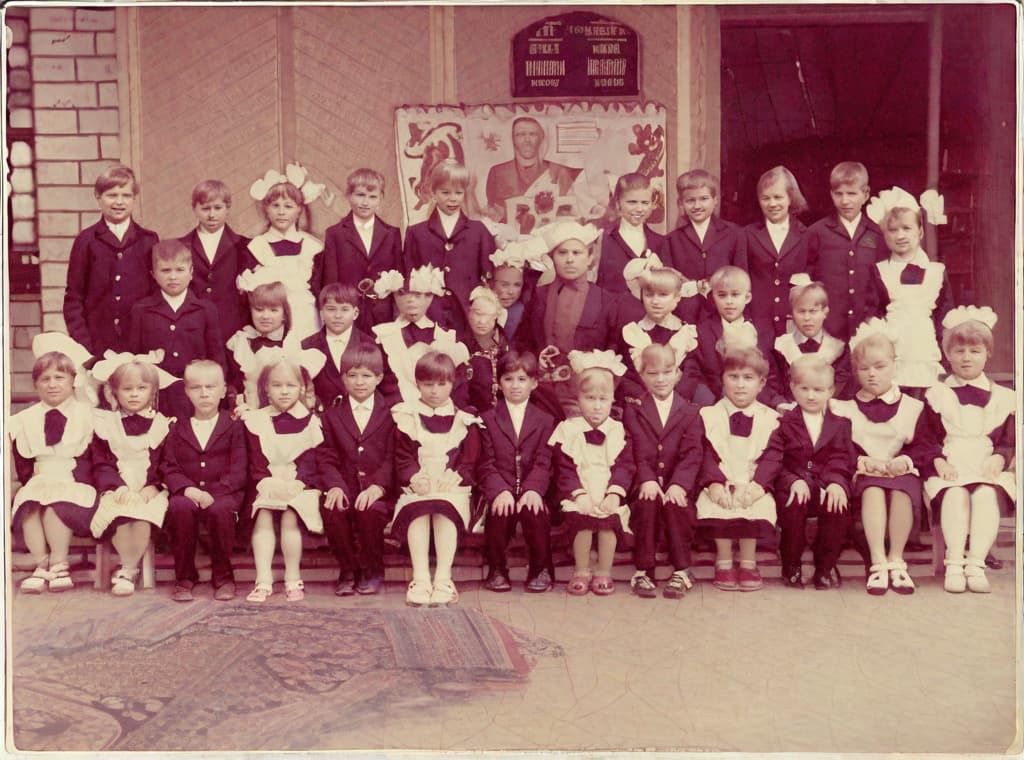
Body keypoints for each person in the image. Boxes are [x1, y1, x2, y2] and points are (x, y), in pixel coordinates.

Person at [829, 320, 932, 595]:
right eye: (864, 369)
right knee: (873, 490)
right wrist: (862, 462)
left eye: (880, 367)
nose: (872, 375)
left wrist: (906, 461)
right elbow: (840, 447)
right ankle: (877, 561)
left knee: (902, 490)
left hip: (900, 469)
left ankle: (896, 559)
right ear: (855, 372)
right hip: (865, 471)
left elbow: (925, 446)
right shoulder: (844, 408)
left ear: (894, 366)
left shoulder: (913, 406)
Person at [922, 307, 1015, 593]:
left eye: (974, 351)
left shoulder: (1004, 397)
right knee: (955, 493)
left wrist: (1000, 457)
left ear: (987, 353)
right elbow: (925, 438)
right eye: (959, 351)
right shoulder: (936, 394)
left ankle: (975, 563)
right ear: (948, 355)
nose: (966, 358)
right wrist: (938, 461)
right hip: (951, 461)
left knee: (986, 494)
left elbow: (1008, 440)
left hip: (986, 462)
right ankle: (954, 563)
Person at [391, 350, 483, 607]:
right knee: (419, 508)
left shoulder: (465, 419)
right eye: (427, 384)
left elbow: (470, 460)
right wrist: (413, 477)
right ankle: (421, 578)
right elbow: (403, 457)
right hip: (419, 485)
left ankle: (443, 577)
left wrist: (456, 476)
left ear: (452, 383)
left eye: (441, 384)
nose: (434, 391)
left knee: (444, 507)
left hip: (451, 486)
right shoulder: (406, 416)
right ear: (417, 384)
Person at [10, 334, 97, 593]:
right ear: (36, 385)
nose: (52, 385)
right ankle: (41, 563)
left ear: (72, 381)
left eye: (59, 378)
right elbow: (23, 463)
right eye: (45, 379)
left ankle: (59, 563)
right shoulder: (25, 419)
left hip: (75, 482)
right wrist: (34, 482)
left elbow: (93, 458)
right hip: (41, 478)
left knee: (54, 507)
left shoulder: (87, 414)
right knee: (29, 505)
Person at [695, 346, 782, 592]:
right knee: (718, 507)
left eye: (748, 378)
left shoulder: (771, 419)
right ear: (722, 379)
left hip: (752, 482)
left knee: (754, 506)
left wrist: (758, 486)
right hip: (721, 481)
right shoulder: (708, 415)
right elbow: (703, 453)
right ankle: (723, 558)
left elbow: (773, 457)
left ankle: (747, 560)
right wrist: (713, 483)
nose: (740, 385)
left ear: (761, 383)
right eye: (733, 377)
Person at [242, 350, 326, 603]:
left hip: (301, 485)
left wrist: (299, 483)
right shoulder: (256, 420)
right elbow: (254, 459)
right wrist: (266, 481)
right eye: (277, 385)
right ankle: (263, 579)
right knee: (264, 515)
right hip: (266, 482)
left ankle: (292, 577)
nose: (284, 391)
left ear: (302, 388)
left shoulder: (312, 422)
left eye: (291, 385)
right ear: (266, 389)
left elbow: (314, 459)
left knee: (290, 516)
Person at [549, 350, 635, 596]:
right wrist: (579, 495)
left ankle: (604, 571)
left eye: (603, 399)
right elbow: (563, 467)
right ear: (578, 397)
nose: (597, 406)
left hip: (607, 489)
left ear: (612, 400)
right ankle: (581, 569)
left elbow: (625, 465)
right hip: (580, 489)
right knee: (583, 523)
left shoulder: (617, 430)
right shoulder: (569, 429)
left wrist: (614, 494)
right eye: (589, 398)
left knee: (608, 524)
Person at [89, 353, 174, 596]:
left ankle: (127, 569)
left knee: (143, 513)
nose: (134, 394)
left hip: (150, 488)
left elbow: (166, 462)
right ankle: (129, 567)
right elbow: (101, 463)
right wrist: (118, 487)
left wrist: (155, 486)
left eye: (141, 388)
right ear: (114, 392)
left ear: (153, 391)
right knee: (119, 511)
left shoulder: (162, 424)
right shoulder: (106, 424)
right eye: (127, 389)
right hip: (118, 486)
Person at [162, 360, 247, 602]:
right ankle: (185, 576)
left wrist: (217, 491)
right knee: (179, 507)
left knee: (220, 511)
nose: (204, 393)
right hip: (189, 493)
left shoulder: (233, 426)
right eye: (196, 387)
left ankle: (223, 575)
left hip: (224, 494)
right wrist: (187, 489)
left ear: (223, 391)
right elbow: (169, 466)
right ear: (187, 392)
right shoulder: (178, 427)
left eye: (211, 387)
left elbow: (239, 468)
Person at [517, 221, 620, 419]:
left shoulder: (607, 301)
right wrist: (536, 360)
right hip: (542, 394)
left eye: (577, 253)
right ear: (552, 258)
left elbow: (615, 350)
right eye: (562, 253)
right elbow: (523, 342)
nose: (569, 260)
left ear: (590, 258)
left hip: (586, 398)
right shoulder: (538, 296)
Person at [623, 344, 703, 599]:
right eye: (653, 373)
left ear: (677, 374)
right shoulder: (633, 409)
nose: (660, 379)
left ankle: (682, 569)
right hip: (645, 483)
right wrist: (646, 479)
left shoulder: (691, 411)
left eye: (667, 372)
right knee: (646, 504)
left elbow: (692, 454)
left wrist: (679, 484)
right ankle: (643, 569)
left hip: (676, 483)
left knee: (677, 506)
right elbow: (635, 448)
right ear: (642, 374)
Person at [770, 355, 854, 590]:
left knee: (837, 504)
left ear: (830, 391)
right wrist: (794, 480)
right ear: (793, 388)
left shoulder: (840, 424)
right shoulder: (784, 422)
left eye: (818, 389)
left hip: (826, 484)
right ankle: (792, 564)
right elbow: (777, 459)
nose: (811, 395)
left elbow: (842, 458)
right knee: (794, 503)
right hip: (794, 485)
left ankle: (825, 566)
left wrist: (836, 482)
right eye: (804, 388)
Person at [318, 344, 396, 596]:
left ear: (379, 378)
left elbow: (393, 456)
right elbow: (326, 456)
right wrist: (336, 486)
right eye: (352, 375)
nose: (359, 382)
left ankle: (373, 569)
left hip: (380, 489)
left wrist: (379, 486)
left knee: (369, 511)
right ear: (343, 379)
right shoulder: (331, 415)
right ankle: (348, 570)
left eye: (366, 375)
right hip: (345, 485)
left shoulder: (393, 413)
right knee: (333, 509)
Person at [479, 351, 557, 593]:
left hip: (531, 488)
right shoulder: (487, 419)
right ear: (499, 383)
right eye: (509, 379)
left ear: (534, 383)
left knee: (535, 511)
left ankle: (540, 567)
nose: (515, 386)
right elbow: (485, 463)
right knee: (499, 512)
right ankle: (497, 568)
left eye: (522, 379)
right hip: (501, 487)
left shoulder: (545, 420)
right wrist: (499, 490)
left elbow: (545, 461)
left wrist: (533, 489)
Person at [63, 165, 159, 356]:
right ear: (98, 197)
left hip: (139, 344)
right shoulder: (86, 240)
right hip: (97, 344)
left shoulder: (148, 240)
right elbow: (74, 299)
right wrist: (85, 345)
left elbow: (157, 294)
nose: (119, 202)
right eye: (111, 195)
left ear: (134, 199)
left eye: (126, 195)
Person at [869, 186, 955, 395]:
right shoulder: (880, 272)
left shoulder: (936, 272)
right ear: (885, 235)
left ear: (920, 231)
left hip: (926, 355)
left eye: (907, 228)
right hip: (894, 359)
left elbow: (944, 318)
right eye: (893, 230)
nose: (900, 235)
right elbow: (874, 314)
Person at [128, 239, 226, 420]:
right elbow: (135, 356)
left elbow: (216, 356)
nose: (173, 277)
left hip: (196, 396)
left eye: (179, 270)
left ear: (191, 273)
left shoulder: (205, 309)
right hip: (157, 397)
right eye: (165, 270)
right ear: (153, 274)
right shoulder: (141, 309)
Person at [404, 159, 496, 334]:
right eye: (445, 192)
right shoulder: (416, 233)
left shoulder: (479, 231)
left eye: (458, 193)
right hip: (428, 313)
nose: (453, 198)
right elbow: (409, 277)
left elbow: (488, 277)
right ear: (433, 192)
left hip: (467, 312)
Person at [805, 161, 889, 340]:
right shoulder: (816, 233)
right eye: (838, 194)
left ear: (866, 194)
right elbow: (806, 281)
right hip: (827, 330)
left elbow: (883, 285)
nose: (845, 201)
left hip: (866, 330)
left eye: (852, 194)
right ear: (831, 194)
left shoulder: (877, 234)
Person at [238, 171, 326, 341]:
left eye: (288, 206)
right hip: (269, 323)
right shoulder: (256, 246)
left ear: (299, 210)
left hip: (307, 320)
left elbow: (321, 289)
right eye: (275, 206)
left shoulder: (313, 247)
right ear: (266, 209)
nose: (281, 212)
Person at [370, 265, 470, 405]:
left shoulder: (445, 337)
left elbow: (457, 385)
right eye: (403, 293)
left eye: (418, 295)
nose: (411, 300)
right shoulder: (382, 335)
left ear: (429, 297)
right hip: (396, 411)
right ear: (394, 296)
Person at [658, 169, 746, 324]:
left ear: (715, 200)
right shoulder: (671, 240)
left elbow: (741, 277)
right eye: (690, 200)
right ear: (681, 203)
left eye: (704, 198)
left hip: (724, 316)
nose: (697, 205)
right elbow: (669, 285)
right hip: (686, 318)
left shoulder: (734, 234)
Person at [680, 266, 777, 404]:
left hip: (757, 403)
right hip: (714, 403)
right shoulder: (703, 331)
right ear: (713, 296)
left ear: (747, 297)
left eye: (735, 294)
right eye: (722, 295)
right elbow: (694, 373)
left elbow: (771, 376)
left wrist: (776, 401)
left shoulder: (761, 331)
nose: (729, 301)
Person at [321, 168, 403, 332]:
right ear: (349, 196)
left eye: (372, 197)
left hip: (383, 314)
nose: (365, 202)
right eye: (360, 195)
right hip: (347, 313)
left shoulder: (392, 233)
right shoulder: (335, 233)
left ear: (381, 199)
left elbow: (399, 277)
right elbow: (331, 280)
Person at [178, 179, 251, 341]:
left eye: (218, 208)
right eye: (205, 208)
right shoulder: (182, 245)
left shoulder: (244, 246)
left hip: (232, 328)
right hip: (192, 326)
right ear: (194, 209)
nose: (212, 215)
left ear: (228, 209)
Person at [744, 166, 809, 337]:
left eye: (778, 197)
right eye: (765, 198)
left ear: (790, 198)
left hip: (794, 326)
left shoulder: (807, 235)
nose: (772, 204)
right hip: (758, 324)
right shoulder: (747, 235)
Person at [617, 266, 698, 405]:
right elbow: (627, 375)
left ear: (677, 297)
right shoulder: (633, 333)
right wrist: (644, 399)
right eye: (649, 295)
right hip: (640, 405)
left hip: (677, 406)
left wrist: (671, 402)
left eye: (663, 295)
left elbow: (691, 376)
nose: (655, 301)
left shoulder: (686, 334)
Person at [771, 279, 853, 404]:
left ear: (825, 312)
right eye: (801, 311)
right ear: (792, 314)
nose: (807, 318)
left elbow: (842, 389)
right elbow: (774, 387)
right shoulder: (780, 347)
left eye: (813, 311)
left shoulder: (838, 349)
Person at [484, 116, 579, 223]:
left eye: (533, 134)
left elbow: (567, 212)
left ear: (541, 138)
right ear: (513, 139)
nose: (527, 140)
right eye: (520, 135)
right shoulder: (497, 172)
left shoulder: (559, 172)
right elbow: (493, 213)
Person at [301, 282, 375, 411]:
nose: (338, 316)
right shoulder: (307, 346)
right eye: (331, 309)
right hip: (322, 418)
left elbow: (384, 387)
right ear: (322, 313)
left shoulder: (370, 345)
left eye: (345, 309)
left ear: (356, 313)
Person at [596, 172, 665, 301]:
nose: (639, 209)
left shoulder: (661, 242)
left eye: (645, 203)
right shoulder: (603, 240)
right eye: (632, 202)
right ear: (618, 203)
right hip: (613, 317)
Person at [226, 281, 292, 411]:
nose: (265, 316)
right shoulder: (240, 341)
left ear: (284, 314)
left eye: (274, 310)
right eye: (259, 309)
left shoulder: (291, 344)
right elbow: (233, 385)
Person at [465, 286, 510, 414]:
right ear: (469, 312)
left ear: (496, 316)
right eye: (478, 314)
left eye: (489, 315)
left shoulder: (504, 344)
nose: (482, 321)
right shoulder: (458, 344)